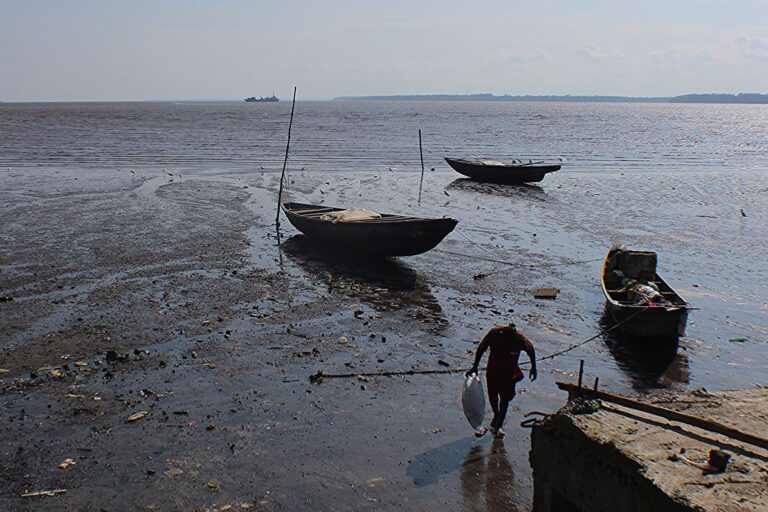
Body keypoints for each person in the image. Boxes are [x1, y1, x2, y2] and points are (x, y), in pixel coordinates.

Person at [466, 323, 537, 438]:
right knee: (492, 396)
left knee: (505, 400)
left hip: (509, 375)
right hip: (493, 371)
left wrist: (534, 367)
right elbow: (481, 348)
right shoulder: (494, 334)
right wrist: (475, 366)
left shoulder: (520, 339)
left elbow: (531, 350)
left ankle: (498, 426)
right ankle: (496, 414)